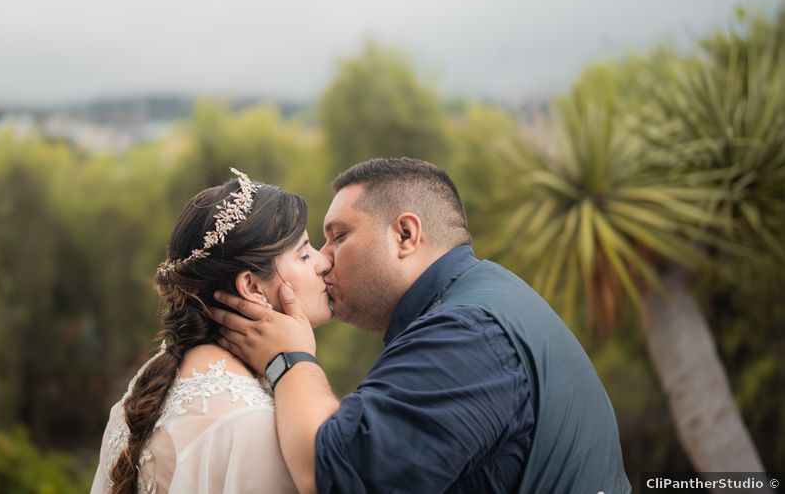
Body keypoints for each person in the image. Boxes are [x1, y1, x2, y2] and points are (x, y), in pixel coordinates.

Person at [211, 157, 631, 494]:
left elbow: (336, 474)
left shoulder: (468, 335)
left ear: (406, 235)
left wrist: (290, 359)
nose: (324, 259)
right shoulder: (486, 298)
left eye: (338, 235)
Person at [90, 168, 332, 494]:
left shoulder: (151, 380)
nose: (323, 262)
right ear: (251, 286)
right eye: (304, 254)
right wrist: (299, 362)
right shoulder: (256, 424)